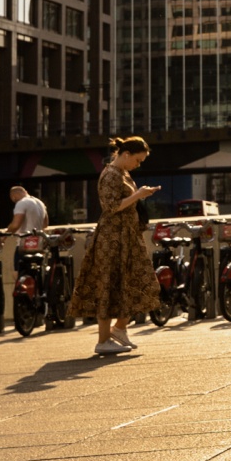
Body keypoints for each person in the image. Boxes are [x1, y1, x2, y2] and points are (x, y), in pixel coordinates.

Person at [68, 136, 162, 356]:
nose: (138, 165)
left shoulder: (122, 173)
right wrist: (138, 195)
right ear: (126, 154)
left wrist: (141, 194)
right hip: (113, 238)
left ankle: (119, 328)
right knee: (109, 284)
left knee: (136, 282)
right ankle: (103, 340)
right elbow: (111, 207)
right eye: (137, 160)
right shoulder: (111, 174)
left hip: (126, 235)